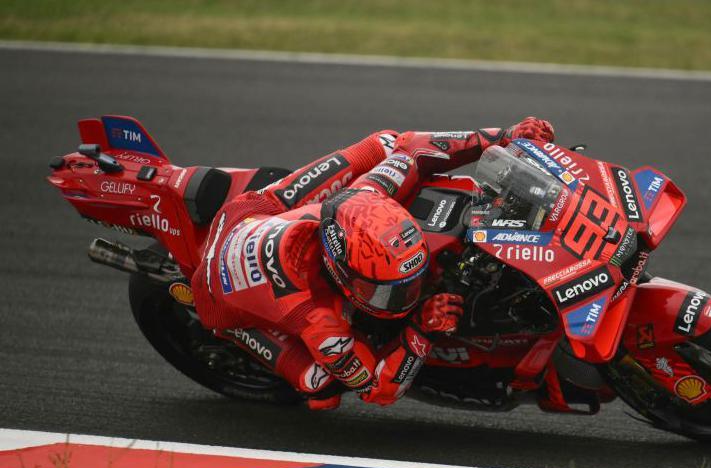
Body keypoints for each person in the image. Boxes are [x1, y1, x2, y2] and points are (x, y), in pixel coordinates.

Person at [189, 117, 555, 409]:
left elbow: (416, 146)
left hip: (256, 211)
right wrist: (421, 333)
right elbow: (378, 391)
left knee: (384, 144)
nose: (411, 296)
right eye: (387, 293)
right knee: (320, 387)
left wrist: (505, 135)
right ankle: (239, 337)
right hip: (215, 291)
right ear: (340, 272)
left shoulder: (368, 191)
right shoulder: (319, 322)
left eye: (413, 281)